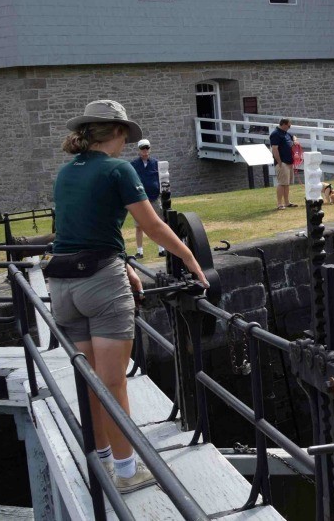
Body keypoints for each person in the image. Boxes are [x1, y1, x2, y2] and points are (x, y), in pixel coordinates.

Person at [48, 100, 208, 493]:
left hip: (62, 284)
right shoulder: (119, 169)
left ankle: (101, 461)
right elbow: (151, 224)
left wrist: (124, 261)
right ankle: (126, 472)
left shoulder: (66, 172)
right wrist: (191, 259)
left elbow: (81, 228)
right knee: (114, 382)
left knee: (89, 381)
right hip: (101, 285)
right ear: (118, 133)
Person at [130, 139, 163, 259]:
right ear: (139, 150)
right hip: (140, 199)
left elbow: (161, 178)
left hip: (154, 197)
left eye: (147, 148)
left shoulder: (155, 163)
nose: (145, 151)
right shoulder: (133, 164)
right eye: (143, 148)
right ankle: (140, 251)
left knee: (158, 223)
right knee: (139, 226)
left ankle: (161, 249)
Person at [268, 119, 297, 209]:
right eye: (288, 126)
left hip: (289, 162)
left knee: (287, 183)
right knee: (281, 183)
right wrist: (279, 162)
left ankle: (287, 202)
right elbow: (275, 149)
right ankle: (280, 204)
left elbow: (294, 137)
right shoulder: (276, 134)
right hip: (282, 162)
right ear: (283, 124)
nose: (289, 127)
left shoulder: (286, 133)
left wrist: (295, 140)